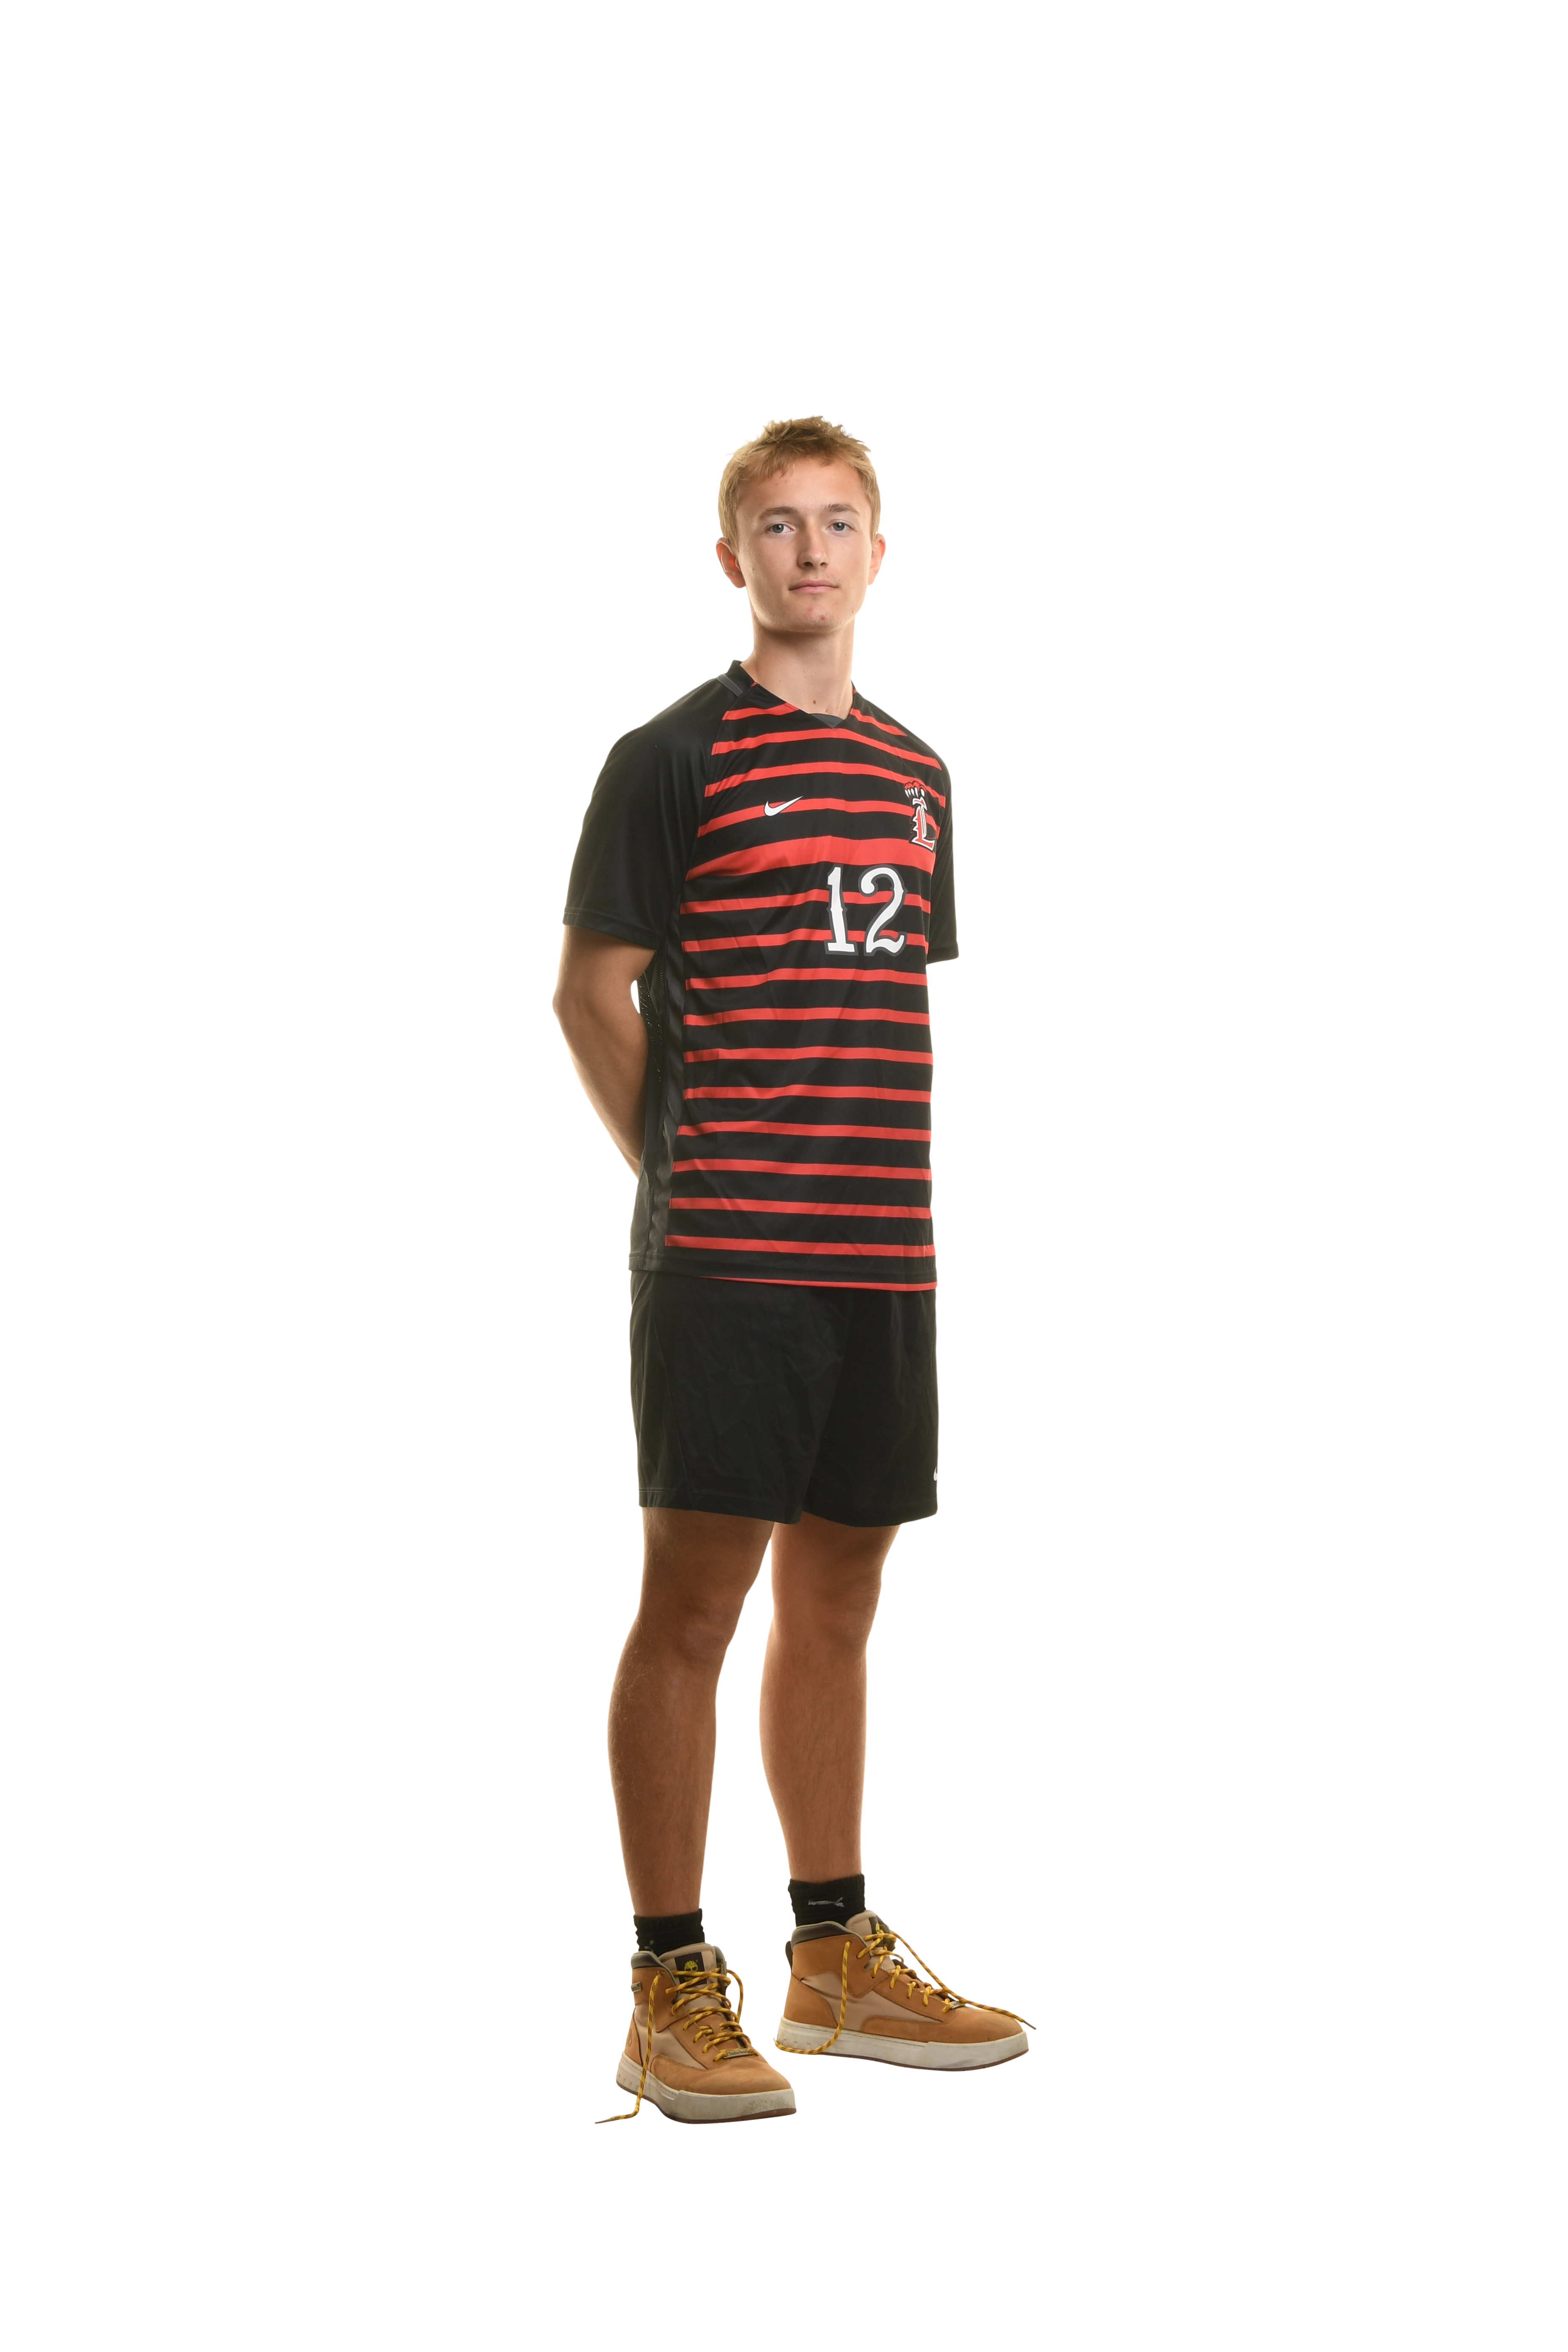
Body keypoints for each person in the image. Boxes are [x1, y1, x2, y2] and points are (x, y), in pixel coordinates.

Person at [554, 414, 1027, 2122]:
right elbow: (588, 994)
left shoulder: (918, 773)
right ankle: (670, 1986)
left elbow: (867, 1001)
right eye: (776, 523)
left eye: (840, 521)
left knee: (842, 1596)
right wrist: (690, 1175)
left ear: (880, 552)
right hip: (728, 1256)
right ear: (727, 556)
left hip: (881, 1249)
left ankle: (830, 1958)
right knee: (694, 1607)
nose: (811, 549)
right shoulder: (668, 757)